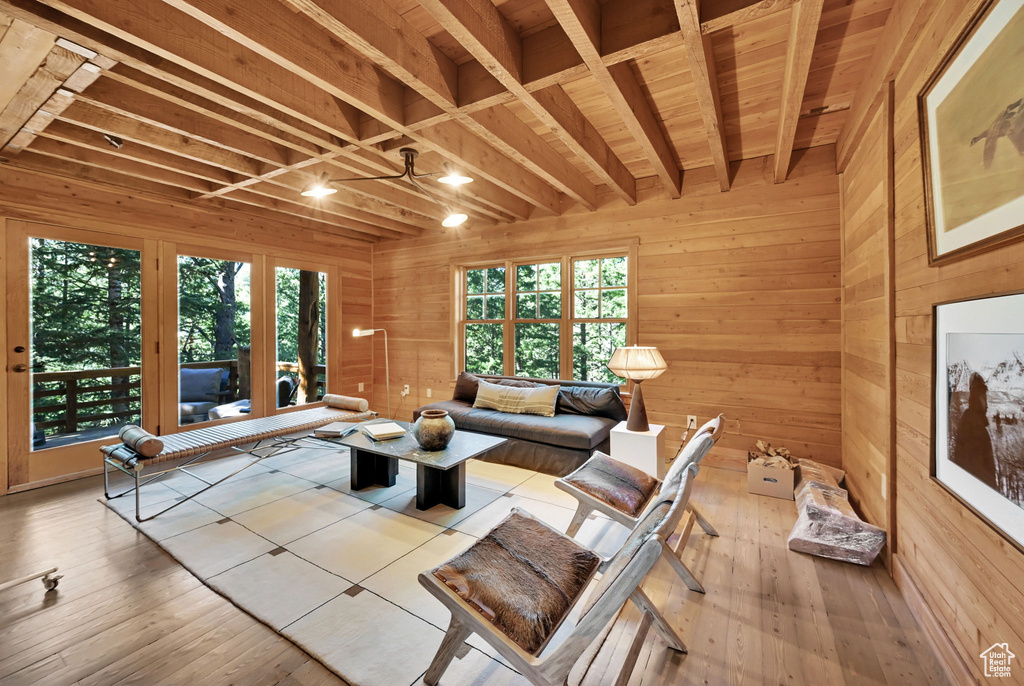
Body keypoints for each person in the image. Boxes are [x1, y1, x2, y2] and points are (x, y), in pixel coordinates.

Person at [951, 372, 997, 489]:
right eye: (983, 398)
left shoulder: (972, 423)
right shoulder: (974, 427)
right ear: (975, 399)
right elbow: (978, 473)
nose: (986, 405)